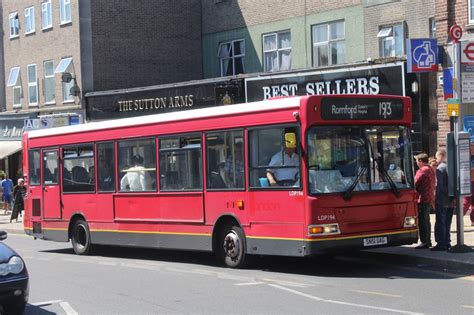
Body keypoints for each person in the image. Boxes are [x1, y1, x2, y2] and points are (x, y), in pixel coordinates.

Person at [432, 149, 454, 251]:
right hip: (451, 200)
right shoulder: (451, 166)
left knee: (440, 222)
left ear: (440, 156)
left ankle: (441, 243)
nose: (436, 160)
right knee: (447, 222)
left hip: (442, 199)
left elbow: (440, 186)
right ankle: (447, 241)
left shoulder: (440, 168)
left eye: (437, 157)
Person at [414, 152, 435, 249]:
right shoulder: (430, 169)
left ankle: (424, 242)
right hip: (429, 197)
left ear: (420, 161)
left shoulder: (422, 171)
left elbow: (415, 183)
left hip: (422, 198)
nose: (416, 163)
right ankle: (428, 241)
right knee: (427, 220)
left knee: (422, 221)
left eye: (417, 161)